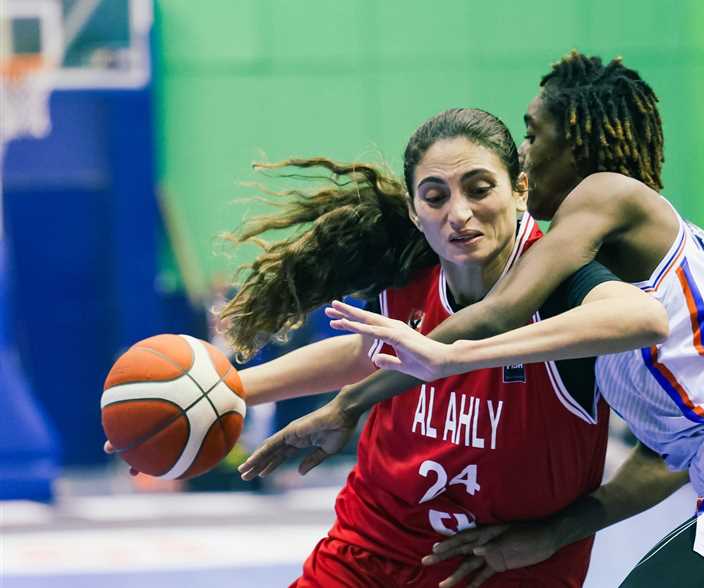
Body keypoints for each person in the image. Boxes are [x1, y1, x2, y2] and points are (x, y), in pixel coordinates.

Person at [243, 52, 704, 587]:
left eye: (533, 134)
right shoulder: (605, 269)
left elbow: (501, 312)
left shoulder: (604, 195)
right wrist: (555, 532)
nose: (526, 153)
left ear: (577, 142)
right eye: (435, 197)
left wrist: (379, 390)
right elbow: (667, 456)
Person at [217, 108, 667, 586]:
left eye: (480, 189)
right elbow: (364, 354)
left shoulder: (562, 283)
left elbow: (644, 320)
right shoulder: (410, 270)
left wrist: (558, 533)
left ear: (520, 189)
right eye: (435, 197)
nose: (459, 214)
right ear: (415, 210)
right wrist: (224, 393)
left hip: (504, 566)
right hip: (371, 546)